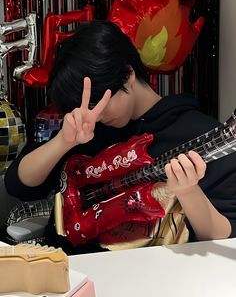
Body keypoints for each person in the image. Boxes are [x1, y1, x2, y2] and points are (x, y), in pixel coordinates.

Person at [5, 20, 236, 254]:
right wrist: (63, 142)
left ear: (127, 74)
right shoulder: (88, 129)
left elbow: (225, 239)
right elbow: (18, 185)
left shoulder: (201, 135)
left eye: (99, 104)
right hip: (67, 274)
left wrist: (189, 192)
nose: (95, 116)